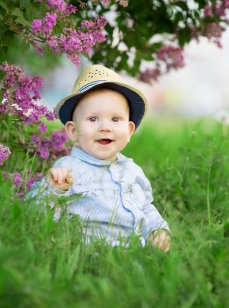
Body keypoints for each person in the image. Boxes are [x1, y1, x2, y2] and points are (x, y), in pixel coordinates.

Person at [29, 64, 171, 251]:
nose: (105, 127)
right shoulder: (68, 169)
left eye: (115, 119)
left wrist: (158, 230)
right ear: (73, 131)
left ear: (129, 131)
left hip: (136, 253)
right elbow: (33, 214)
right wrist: (52, 191)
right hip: (91, 253)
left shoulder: (133, 170)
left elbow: (146, 207)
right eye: (93, 119)